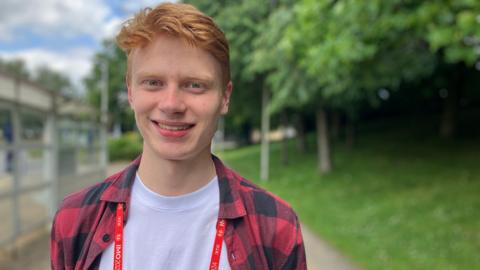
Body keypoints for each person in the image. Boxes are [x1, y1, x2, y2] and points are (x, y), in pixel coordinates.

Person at [51, 3, 306, 270]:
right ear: (130, 92)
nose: (172, 104)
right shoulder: (74, 218)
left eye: (194, 85)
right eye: (153, 82)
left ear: (225, 97)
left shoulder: (276, 226)